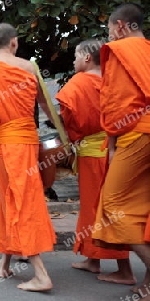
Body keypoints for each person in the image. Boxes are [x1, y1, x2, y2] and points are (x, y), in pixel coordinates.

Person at [0, 23, 56, 291]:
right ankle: (4, 261)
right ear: (15, 42)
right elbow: (46, 107)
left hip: (4, 144)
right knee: (12, 200)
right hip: (27, 141)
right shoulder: (30, 68)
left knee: (18, 202)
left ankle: (40, 274)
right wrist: (65, 133)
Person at [56, 39, 135, 284]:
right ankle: (92, 259)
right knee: (99, 206)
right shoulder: (114, 81)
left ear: (87, 58)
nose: (74, 60)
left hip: (93, 152)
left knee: (100, 208)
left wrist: (69, 136)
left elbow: (71, 120)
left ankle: (125, 270)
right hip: (117, 150)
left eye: (76, 55)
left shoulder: (79, 82)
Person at [91, 3, 150, 298]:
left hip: (138, 133)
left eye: (110, 29)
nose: (110, 35)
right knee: (143, 209)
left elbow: (114, 103)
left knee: (113, 204)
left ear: (122, 26)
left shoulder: (120, 52)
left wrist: (112, 143)